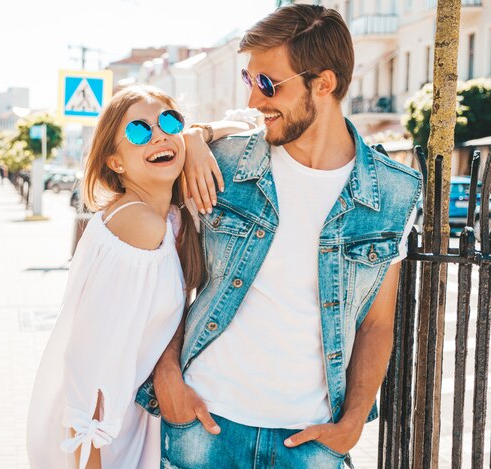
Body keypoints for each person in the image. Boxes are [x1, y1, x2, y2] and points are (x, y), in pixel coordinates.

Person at [137, 5, 423, 469]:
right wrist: (167, 376)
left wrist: (351, 424)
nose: (254, 101)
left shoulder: (395, 192)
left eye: (268, 85)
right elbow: (170, 280)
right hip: (204, 424)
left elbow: (377, 324)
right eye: (250, 82)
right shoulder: (222, 165)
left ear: (324, 84)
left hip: (311, 440)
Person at [26, 85, 251, 469]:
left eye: (168, 121)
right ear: (115, 162)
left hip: (129, 422)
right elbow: (88, 360)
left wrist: (198, 135)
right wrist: (90, 455)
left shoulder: (169, 217)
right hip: (100, 437)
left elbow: (248, 121)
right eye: (138, 131)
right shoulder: (139, 227)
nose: (159, 135)